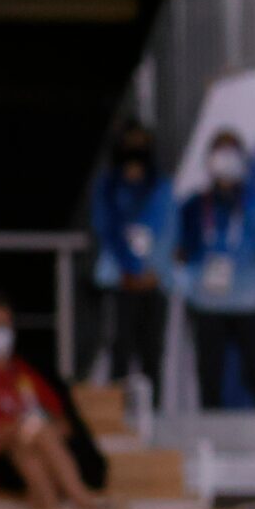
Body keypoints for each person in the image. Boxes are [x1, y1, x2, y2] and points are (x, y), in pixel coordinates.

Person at [0, 290, 106, 509]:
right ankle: (80, 499)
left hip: (28, 444)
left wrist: (26, 426)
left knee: (29, 441)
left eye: (0, 326)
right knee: (31, 431)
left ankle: (48, 507)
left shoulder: (24, 372)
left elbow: (62, 424)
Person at [174, 127, 255, 410]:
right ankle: (210, 437)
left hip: (249, 301)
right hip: (207, 302)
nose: (226, 160)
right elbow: (180, 249)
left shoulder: (253, 204)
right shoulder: (194, 207)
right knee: (210, 376)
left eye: (232, 152)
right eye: (220, 152)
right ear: (209, 160)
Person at [90, 119, 172, 397]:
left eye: (141, 143)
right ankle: (117, 413)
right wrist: (130, 269)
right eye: (131, 143)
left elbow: (168, 233)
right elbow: (106, 230)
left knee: (152, 351)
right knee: (119, 348)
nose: (136, 149)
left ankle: (156, 414)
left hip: (153, 282)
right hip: (120, 282)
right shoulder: (108, 188)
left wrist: (153, 271)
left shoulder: (160, 187)